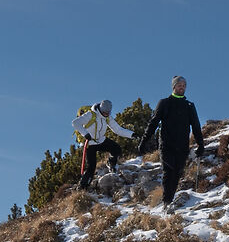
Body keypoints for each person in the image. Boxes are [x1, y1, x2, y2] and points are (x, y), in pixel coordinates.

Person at [137, 75, 206, 208]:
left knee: (177, 173)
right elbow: (153, 123)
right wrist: (144, 141)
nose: (182, 87)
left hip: (182, 146)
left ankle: (169, 201)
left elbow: (196, 126)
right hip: (166, 144)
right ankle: (166, 203)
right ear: (174, 86)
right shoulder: (164, 103)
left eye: (184, 85)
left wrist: (201, 144)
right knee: (169, 171)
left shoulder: (189, 106)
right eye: (179, 85)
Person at [73, 99, 122, 191]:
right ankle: (82, 187)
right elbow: (75, 123)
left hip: (99, 140)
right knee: (91, 167)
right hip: (88, 144)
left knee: (117, 149)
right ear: (100, 109)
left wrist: (131, 134)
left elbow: (118, 129)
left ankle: (111, 163)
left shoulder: (106, 117)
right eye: (105, 112)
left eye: (108, 113)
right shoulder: (91, 114)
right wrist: (85, 134)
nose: (106, 114)